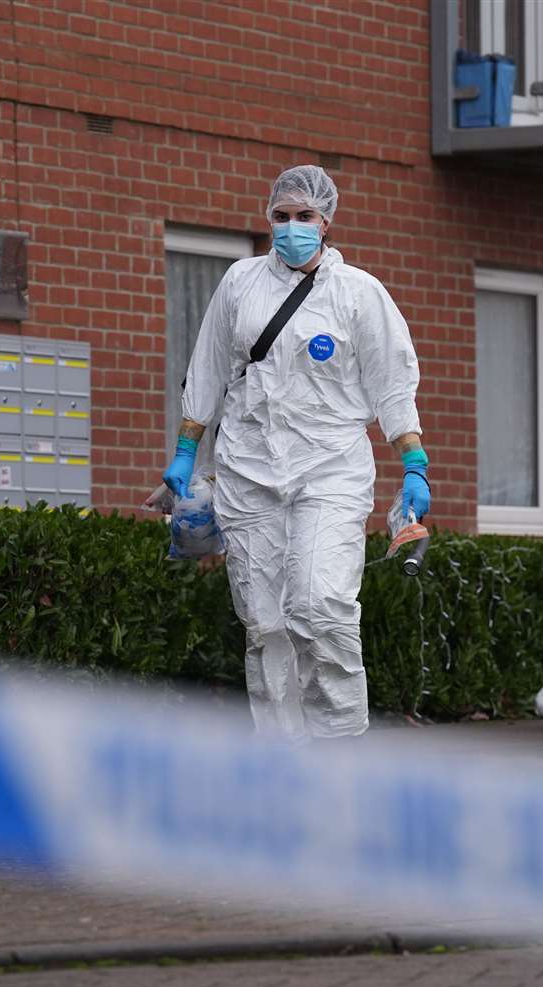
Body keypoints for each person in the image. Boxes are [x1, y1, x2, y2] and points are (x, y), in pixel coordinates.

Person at [151, 165, 430, 743]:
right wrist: (184, 451)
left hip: (329, 469)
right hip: (248, 472)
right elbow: (206, 371)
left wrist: (414, 465)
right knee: (265, 622)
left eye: (305, 217)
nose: (292, 227)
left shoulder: (358, 294)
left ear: (326, 222)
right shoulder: (240, 282)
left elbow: (392, 386)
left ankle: (341, 741)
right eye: (282, 216)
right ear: (268, 218)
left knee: (320, 604)